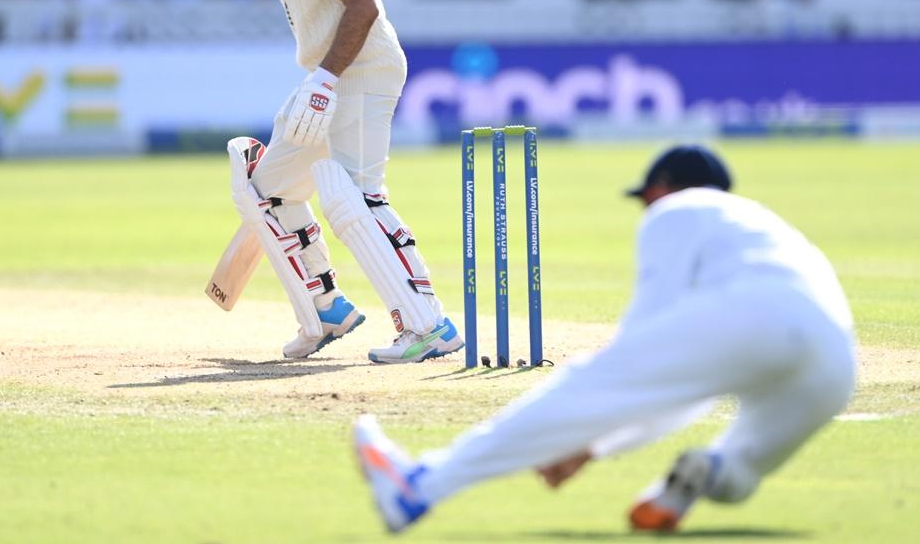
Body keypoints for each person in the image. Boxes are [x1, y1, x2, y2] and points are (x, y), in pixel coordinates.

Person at [354, 144, 856, 533]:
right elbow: (677, 393)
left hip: (758, 318)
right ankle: (690, 484)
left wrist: (581, 433)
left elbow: (640, 355)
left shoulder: (676, 210)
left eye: (645, 199)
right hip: (835, 359)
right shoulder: (762, 228)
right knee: (742, 466)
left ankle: (419, 488)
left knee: (592, 381)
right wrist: (593, 448)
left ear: (661, 187)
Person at [214, 0, 463, 363]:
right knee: (268, 188)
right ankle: (326, 309)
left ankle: (430, 325)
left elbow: (364, 6)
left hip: (363, 71)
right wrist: (321, 78)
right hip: (326, 75)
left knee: (357, 196)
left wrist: (326, 79)